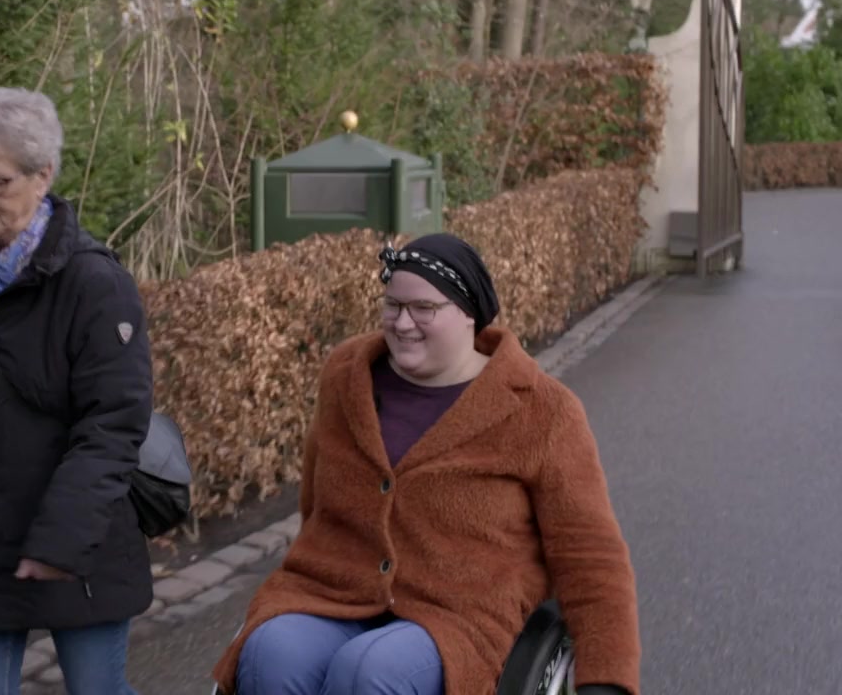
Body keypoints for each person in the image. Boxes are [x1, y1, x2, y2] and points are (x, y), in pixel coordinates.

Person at [210, 234, 640, 695]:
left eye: (423, 309)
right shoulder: (346, 376)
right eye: (393, 305)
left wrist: (606, 678)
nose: (402, 323)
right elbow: (315, 505)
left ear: (468, 313)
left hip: (460, 614)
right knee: (270, 653)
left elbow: (588, 553)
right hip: (334, 591)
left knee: (369, 671)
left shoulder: (543, 411)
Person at [0, 86, 153, 695]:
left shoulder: (94, 284)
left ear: (42, 175)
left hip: (79, 545)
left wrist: (60, 541)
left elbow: (114, 424)